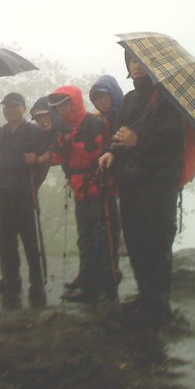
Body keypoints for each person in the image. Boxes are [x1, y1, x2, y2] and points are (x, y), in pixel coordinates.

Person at [98, 51, 185, 323]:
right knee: (135, 241)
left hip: (160, 183)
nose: (136, 65)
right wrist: (111, 152)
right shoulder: (129, 99)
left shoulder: (170, 98)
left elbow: (173, 141)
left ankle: (158, 305)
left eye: (141, 60)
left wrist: (139, 140)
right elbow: (119, 135)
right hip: (131, 181)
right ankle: (144, 297)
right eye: (131, 60)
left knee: (156, 243)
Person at [0, 92, 49, 301]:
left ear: (23, 108)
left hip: (25, 188)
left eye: (15, 106)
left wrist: (37, 159)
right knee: (5, 235)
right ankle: (11, 277)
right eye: (7, 106)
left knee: (31, 236)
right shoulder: (1, 132)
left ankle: (38, 281)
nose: (10, 110)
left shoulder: (34, 131)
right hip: (3, 187)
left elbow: (49, 154)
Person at [48, 86, 120, 303]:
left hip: (99, 188)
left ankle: (105, 283)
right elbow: (58, 155)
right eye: (58, 106)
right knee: (85, 237)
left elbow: (93, 151)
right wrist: (60, 148)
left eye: (65, 104)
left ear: (75, 102)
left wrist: (69, 143)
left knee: (102, 237)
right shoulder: (65, 126)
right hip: (80, 188)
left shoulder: (94, 122)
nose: (62, 109)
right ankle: (87, 279)